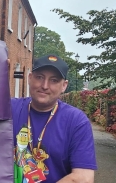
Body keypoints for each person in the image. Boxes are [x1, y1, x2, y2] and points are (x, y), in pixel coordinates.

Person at [12, 54, 97, 183]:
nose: (45, 86)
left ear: (64, 85)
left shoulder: (76, 121)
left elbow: (83, 178)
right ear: (29, 78)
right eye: (39, 77)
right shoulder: (10, 108)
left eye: (54, 80)